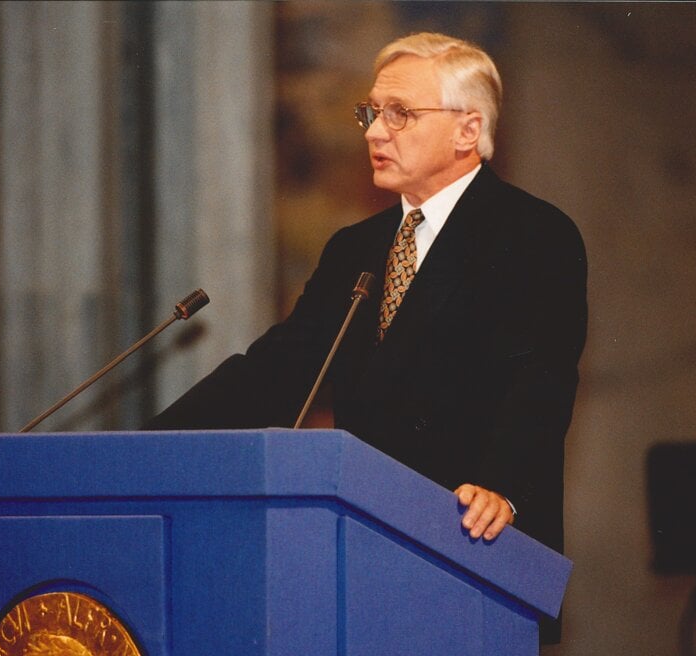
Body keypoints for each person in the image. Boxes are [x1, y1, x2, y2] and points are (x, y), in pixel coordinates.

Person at [147, 31, 586, 560]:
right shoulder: (356, 247)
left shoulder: (533, 233)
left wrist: (505, 489)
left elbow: (542, 378)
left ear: (468, 129)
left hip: (473, 538)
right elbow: (281, 369)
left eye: (399, 113)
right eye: (372, 113)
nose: (376, 132)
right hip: (362, 539)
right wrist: (149, 445)